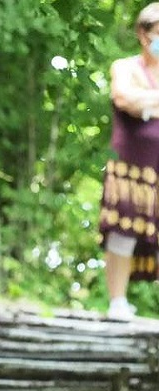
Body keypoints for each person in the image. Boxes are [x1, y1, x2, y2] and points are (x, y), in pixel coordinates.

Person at [99, 2, 159, 321]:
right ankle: (118, 302)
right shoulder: (125, 67)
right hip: (130, 168)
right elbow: (124, 98)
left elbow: (139, 103)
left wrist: (145, 103)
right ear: (142, 34)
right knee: (123, 232)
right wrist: (147, 103)